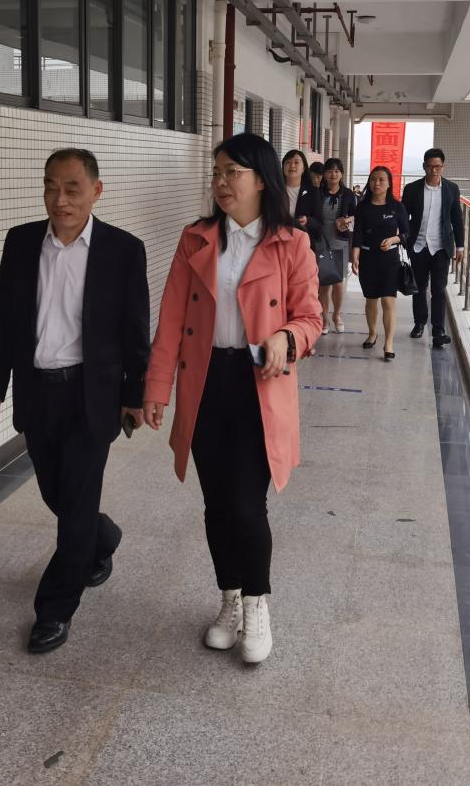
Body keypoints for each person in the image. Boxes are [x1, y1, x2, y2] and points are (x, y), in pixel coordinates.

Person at [143, 133, 322, 665]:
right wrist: (157, 388)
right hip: (204, 383)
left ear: (261, 179)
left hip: (258, 384)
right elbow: (171, 319)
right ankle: (229, 600)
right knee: (217, 504)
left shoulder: (291, 243)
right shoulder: (195, 239)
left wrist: (286, 337)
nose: (221, 183)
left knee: (247, 504)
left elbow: (311, 317)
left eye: (232, 173)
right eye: (217, 173)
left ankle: (257, 604)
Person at [0, 148, 150, 655]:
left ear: (96, 192)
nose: (60, 199)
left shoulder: (123, 250)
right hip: (37, 390)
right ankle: (104, 537)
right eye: (51, 187)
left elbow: (135, 331)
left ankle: (54, 610)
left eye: (72, 188)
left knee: (74, 508)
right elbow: (5, 320)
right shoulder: (21, 242)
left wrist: (134, 394)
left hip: (91, 394)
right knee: (59, 495)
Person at [402, 148, 465, 348]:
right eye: (430, 166)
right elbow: (403, 217)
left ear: (443, 167)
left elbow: (456, 218)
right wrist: (404, 240)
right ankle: (419, 323)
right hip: (418, 246)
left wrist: (460, 246)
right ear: (424, 167)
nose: (434, 170)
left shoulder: (451, 189)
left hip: (441, 247)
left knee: (439, 289)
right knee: (419, 288)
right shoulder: (412, 189)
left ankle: (438, 330)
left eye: (438, 166)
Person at [351, 166, 409, 361]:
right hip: (368, 259)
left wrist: (393, 240)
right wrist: (355, 254)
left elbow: (407, 234)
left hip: (390, 260)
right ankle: (372, 333)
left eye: (381, 179)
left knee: (388, 300)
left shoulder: (397, 207)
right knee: (371, 299)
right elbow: (358, 233)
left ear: (389, 183)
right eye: (373, 179)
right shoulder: (362, 206)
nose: (377, 183)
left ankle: (389, 343)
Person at [317, 157, 358, 334]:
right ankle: (324, 317)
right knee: (324, 283)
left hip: (339, 240)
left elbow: (356, 217)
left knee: (338, 282)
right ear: (324, 174)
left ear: (341, 174)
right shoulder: (318, 192)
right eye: (329, 171)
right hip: (320, 240)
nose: (333, 174)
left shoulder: (348, 194)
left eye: (337, 171)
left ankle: (337, 315)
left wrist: (347, 221)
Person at [282, 149, 322, 246]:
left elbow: (319, 222)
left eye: (296, 162)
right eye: (288, 162)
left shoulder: (313, 192)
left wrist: (307, 220)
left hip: (303, 243)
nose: (292, 166)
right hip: (279, 242)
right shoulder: (275, 190)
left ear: (303, 168)